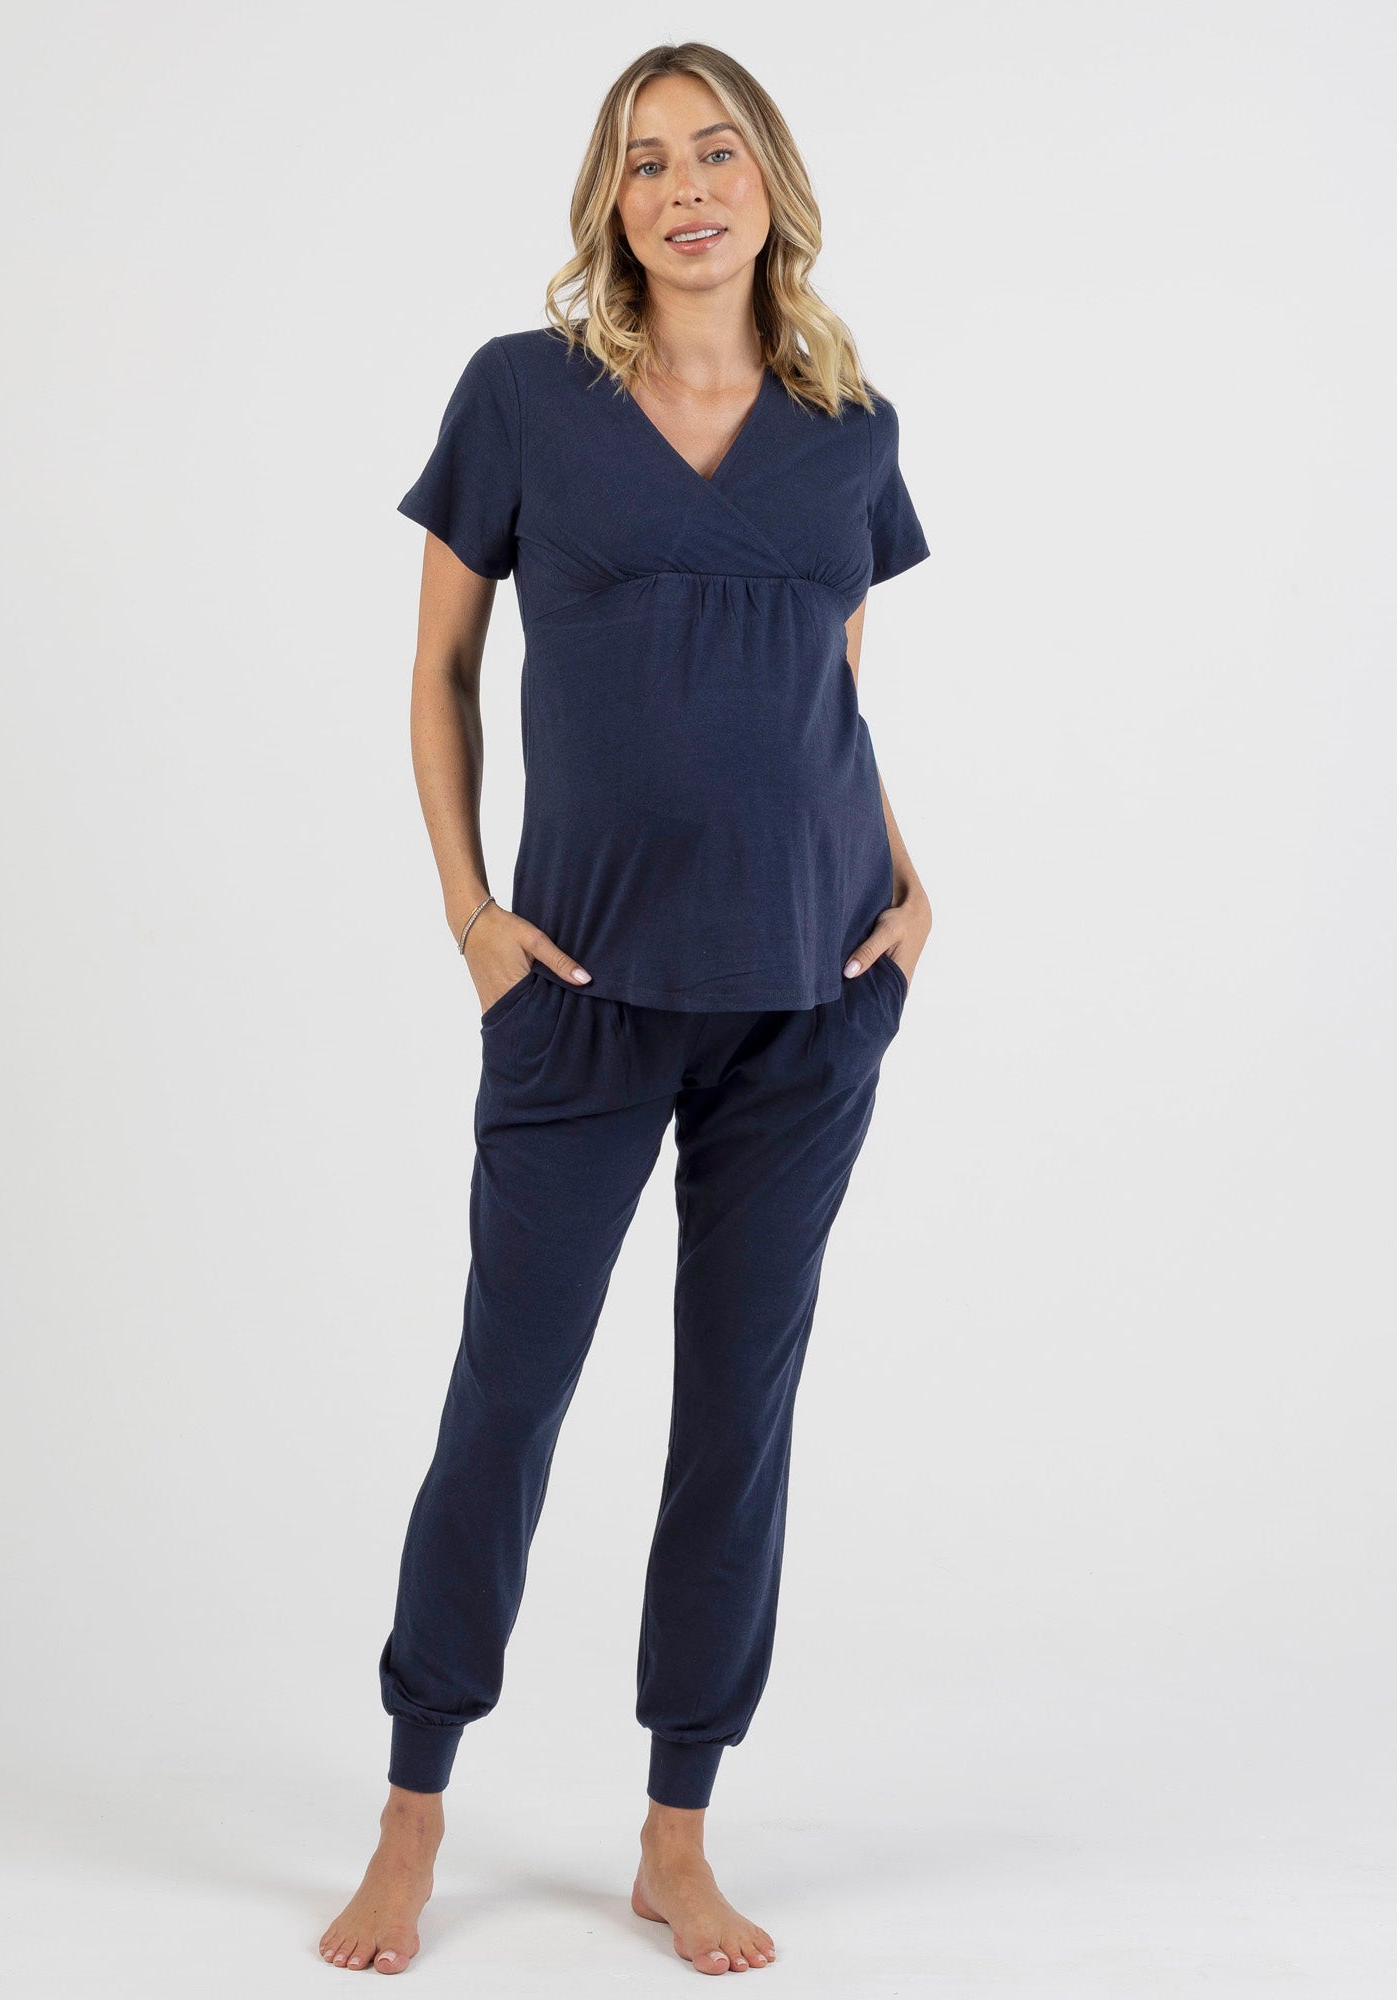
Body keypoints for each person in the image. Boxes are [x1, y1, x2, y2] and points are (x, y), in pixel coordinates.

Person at [321, 39, 933, 1978]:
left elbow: (828, 685)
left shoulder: (849, 428)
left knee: (735, 1418)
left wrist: (908, 885)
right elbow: (438, 672)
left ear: (771, 185)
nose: (684, 189)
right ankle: (413, 1804)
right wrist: (471, 919)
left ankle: (677, 1833)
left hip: (807, 995)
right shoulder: (523, 398)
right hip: (578, 993)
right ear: (610, 200)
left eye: (716, 152)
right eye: (646, 160)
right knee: (507, 1397)